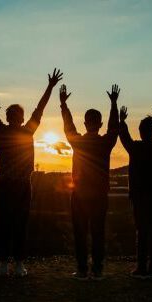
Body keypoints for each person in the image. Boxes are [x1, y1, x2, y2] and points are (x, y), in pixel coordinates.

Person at [0, 65, 62, 276]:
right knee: (20, 224)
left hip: (4, 184)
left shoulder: (0, 130)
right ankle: (19, 265)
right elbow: (40, 109)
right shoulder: (27, 131)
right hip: (22, 185)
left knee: (4, 224)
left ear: (8, 116)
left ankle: (2, 264)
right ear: (20, 118)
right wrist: (49, 86)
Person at [60, 84, 119, 280]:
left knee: (80, 233)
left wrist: (63, 105)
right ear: (99, 124)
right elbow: (114, 128)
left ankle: (83, 269)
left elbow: (68, 126)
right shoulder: (105, 142)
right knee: (98, 232)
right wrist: (113, 104)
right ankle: (98, 270)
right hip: (100, 195)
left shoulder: (78, 141)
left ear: (85, 123)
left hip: (79, 194)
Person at [119, 106, 152, 280]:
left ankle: (141, 268)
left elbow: (124, 137)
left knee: (141, 231)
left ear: (140, 132)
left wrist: (122, 121)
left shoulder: (135, 148)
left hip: (140, 196)